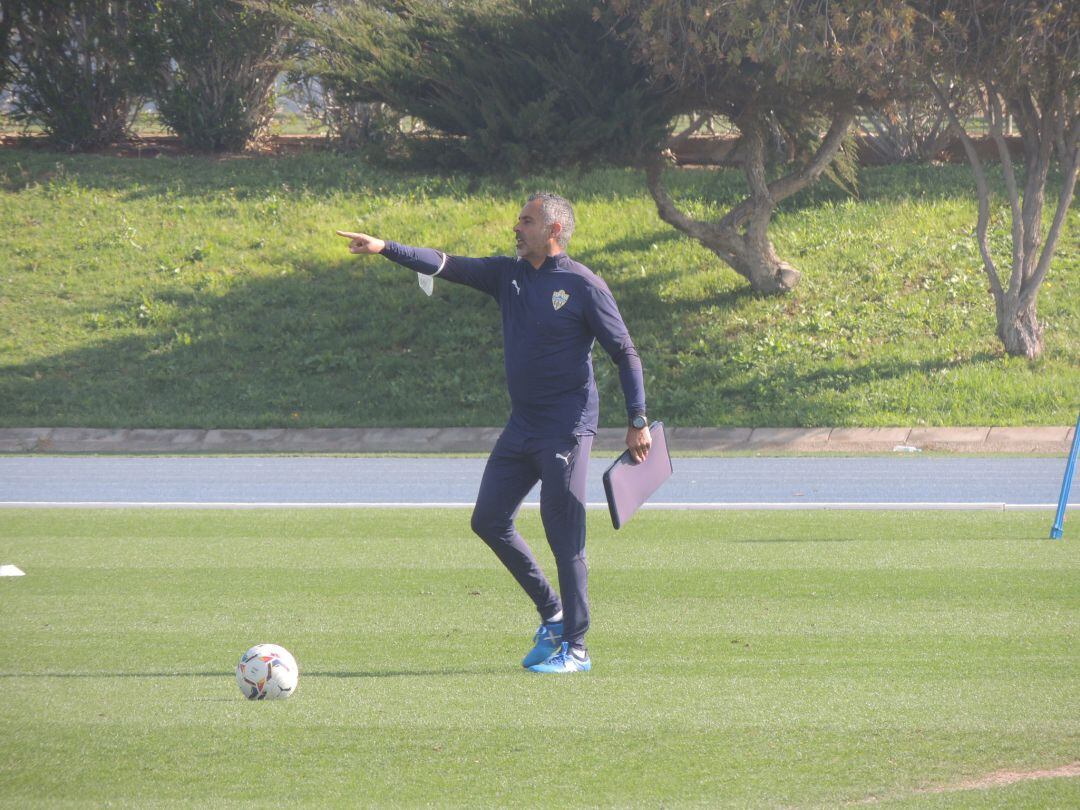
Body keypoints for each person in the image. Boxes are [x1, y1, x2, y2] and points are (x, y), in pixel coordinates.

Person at [337, 192, 650, 674]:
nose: (516, 227)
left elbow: (625, 352)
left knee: (563, 534)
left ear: (554, 230)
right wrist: (385, 247)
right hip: (523, 425)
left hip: (566, 429)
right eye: (518, 219)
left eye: (526, 221)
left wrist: (637, 419)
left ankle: (577, 648)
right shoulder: (509, 276)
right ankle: (553, 613)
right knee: (488, 519)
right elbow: (446, 264)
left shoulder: (584, 285)